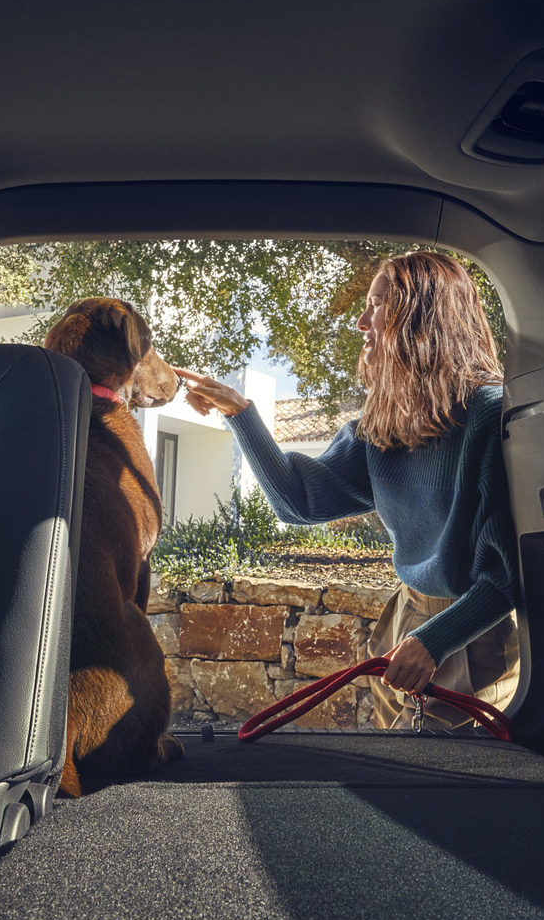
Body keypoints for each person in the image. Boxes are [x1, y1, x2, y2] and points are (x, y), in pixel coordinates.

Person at [172, 251, 523, 730]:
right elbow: (298, 502)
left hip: (471, 630)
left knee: (428, 785)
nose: (361, 322)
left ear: (421, 316)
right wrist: (240, 413)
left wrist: (436, 640)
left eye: (377, 305)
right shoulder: (382, 425)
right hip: (404, 615)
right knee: (387, 764)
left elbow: (509, 574)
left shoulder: (487, 413)